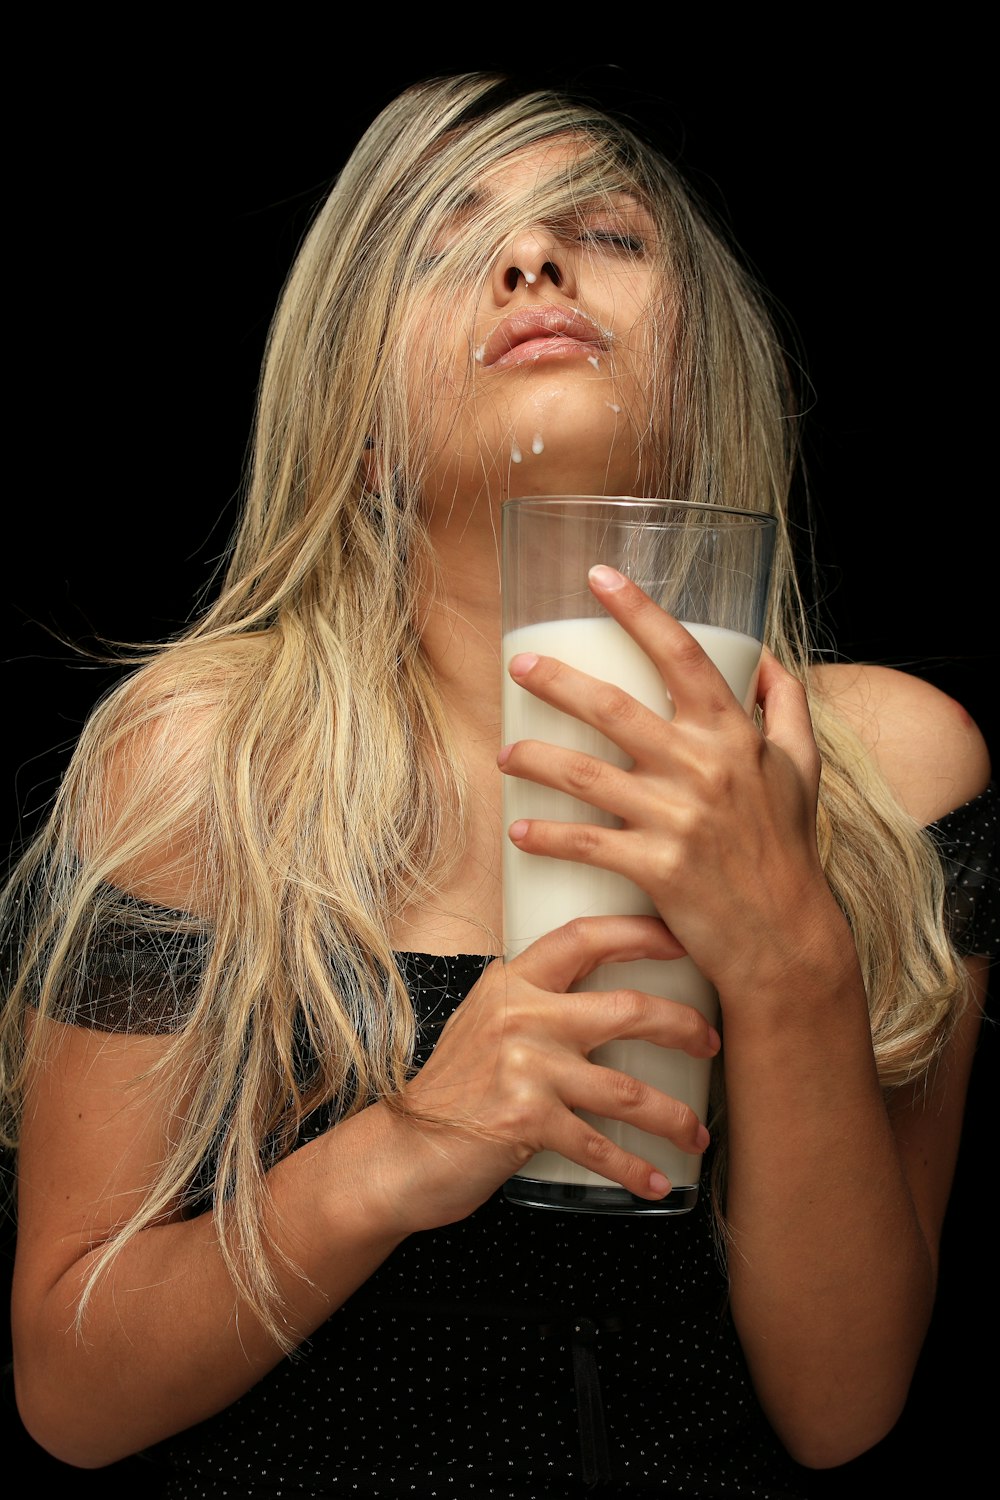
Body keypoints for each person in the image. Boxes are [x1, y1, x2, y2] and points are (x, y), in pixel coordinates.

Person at [1, 72, 994, 1498]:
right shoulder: (207, 763)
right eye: (449, 246)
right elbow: (72, 1393)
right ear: (355, 418)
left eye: (607, 232)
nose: (532, 262)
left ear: (703, 367)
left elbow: (843, 1409)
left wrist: (788, 963)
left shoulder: (891, 775)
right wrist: (408, 1146)